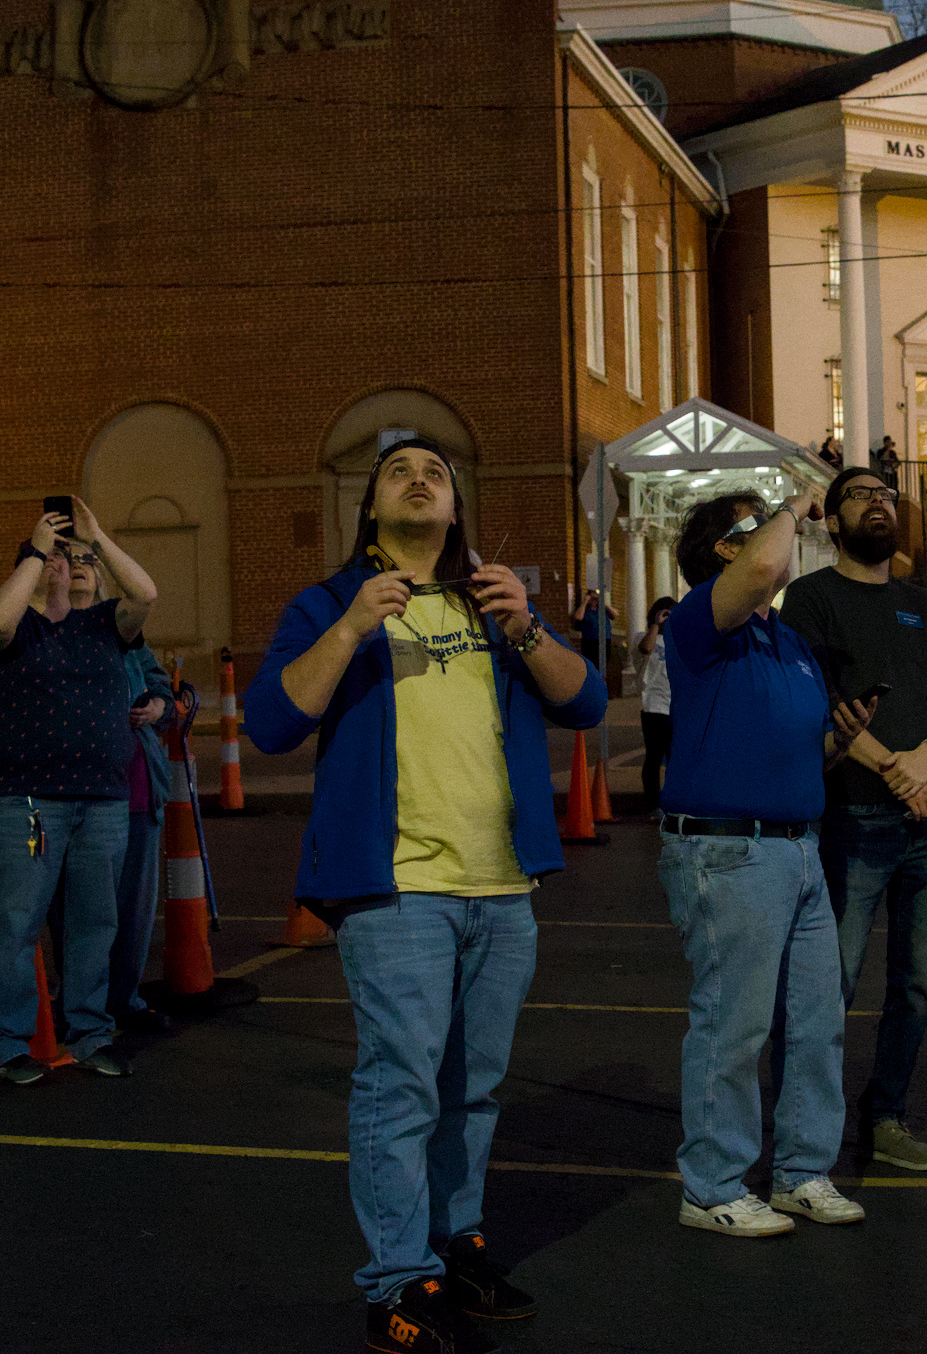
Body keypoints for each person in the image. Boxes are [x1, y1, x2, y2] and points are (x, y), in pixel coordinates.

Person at [245, 438, 603, 1354]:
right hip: (397, 887)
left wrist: (526, 626)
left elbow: (586, 701)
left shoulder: (493, 604)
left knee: (474, 1089)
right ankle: (398, 1281)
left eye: (435, 473)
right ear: (371, 509)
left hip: (501, 886)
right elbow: (273, 723)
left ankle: (456, 1246)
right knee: (401, 1086)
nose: (418, 480)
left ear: (455, 509)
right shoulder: (331, 603)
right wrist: (353, 625)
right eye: (399, 471)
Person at [657, 485, 871, 1236]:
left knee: (817, 1020)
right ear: (726, 549)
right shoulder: (700, 622)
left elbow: (796, 746)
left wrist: (837, 743)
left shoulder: (785, 641)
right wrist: (791, 503)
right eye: (751, 526)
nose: (778, 535)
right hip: (729, 849)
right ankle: (712, 1183)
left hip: (796, 847)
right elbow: (765, 566)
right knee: (733, 1024)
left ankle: (801, 1170)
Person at [780, 467, 927, 1172]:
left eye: (885, 494)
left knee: (914, 986)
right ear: (832, 520)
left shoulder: (920, 603)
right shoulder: (811, 596)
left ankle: (885, 1116)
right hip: (856, 820)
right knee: (832, 985)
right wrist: (896, 769)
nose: (877, 503)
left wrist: (926, 755)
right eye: (860, 495)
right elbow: (820, 702)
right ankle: (804, 1131)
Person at [0, 501, 157, 1085]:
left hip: (101, 802)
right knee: (19, 920)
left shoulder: (103, 624)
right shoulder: (12, 629)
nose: (66, 564)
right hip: (31, 803)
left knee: (93, 922)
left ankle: (90, 1032)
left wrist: (97, 536)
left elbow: (146, 595)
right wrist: (35, 553)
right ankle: (6, 1041)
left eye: (74, 559)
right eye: (57, 556)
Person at [105, 635, 176, 1033]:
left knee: (134, 910)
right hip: (92, 791)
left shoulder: (126, 636)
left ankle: (123, 1000)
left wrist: (156, 707)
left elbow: (162, 687)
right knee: (88, 909)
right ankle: (83, 1001)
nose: (78, 569)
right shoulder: (58, 633)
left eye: (89, 566)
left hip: (139, 790)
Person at [636, 596, 675, 808]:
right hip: (653, 707)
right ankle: (653, 805)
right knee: (654, 758)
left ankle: (672, 802)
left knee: (676, 759)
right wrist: (656, 624)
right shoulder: (643, 637)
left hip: (676, 707)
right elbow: (645, 648)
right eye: (664, 612)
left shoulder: (680, 639)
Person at [576, 588, 620, 671]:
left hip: (604, 641)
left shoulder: (603, 610)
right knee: (592, 665)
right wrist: (585, 602)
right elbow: (578, 617)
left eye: (596, 598)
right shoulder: (585, 610)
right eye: (592, 598)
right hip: (590, 642)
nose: (594, 600)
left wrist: (603, 603)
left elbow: (615, 614)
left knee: (603, 665)